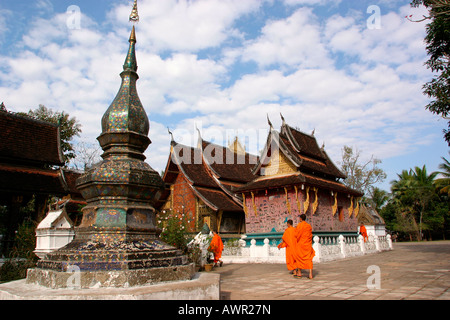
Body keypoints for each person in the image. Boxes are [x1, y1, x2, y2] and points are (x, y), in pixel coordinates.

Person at [293, 214, 315, 279]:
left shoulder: (299, 225)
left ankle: (299, 273)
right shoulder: (309, 226)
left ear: (300, 219)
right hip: (307, 245)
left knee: (299, 258)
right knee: (309, 259)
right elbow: (310, 235)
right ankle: (310, 274)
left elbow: (297, 235)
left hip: (301, 245)